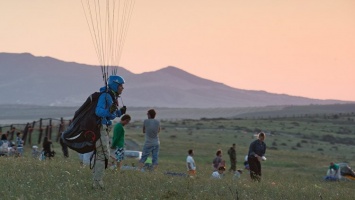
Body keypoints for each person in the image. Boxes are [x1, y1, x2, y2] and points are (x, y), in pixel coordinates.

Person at [92, 75, 126, 189]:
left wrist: (119, 112)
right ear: (115, 85)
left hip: (105, 127)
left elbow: (111, 115)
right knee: (103, 155)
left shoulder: (111, 96)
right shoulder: (105, 95)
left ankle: (96, 181)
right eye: (121, 85)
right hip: (101, 127)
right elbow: (98, 111)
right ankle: (97, 183)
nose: (122, 88)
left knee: (102, 155)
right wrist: (109, 111)